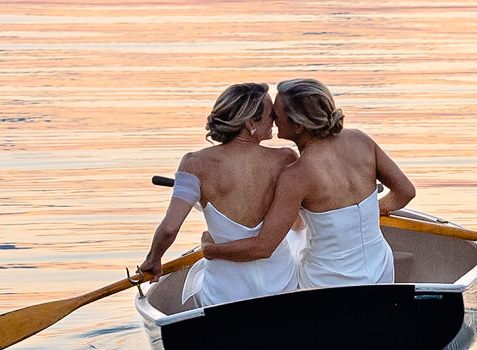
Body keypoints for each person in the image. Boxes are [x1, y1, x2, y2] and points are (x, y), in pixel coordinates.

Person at [198, 77, 414, 289]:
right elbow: (405, 192)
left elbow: (263, 248)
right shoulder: (361, 139)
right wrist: (366, 213)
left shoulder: (297, 175)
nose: (273, 120)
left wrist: (211, 250)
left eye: (277, 114)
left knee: (291, 247)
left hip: (328, 282)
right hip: (381, 271)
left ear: (298, 125)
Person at [137, 82, 298, 307]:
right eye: (271, 114)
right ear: (251, 122)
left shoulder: (193, 164)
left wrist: (153, 259)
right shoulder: (286, 159)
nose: (275, 120)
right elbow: (299, 224)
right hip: (282, 287)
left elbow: (169, 228)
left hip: (224, 298)